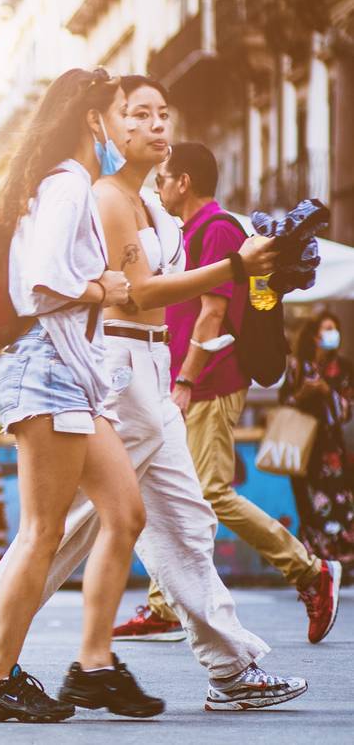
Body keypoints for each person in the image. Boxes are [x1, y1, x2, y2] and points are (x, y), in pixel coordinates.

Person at [0, 76, 307, 713]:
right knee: (62, 527)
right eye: (136, 113)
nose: (157, 125)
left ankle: (180, 666)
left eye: (164, 112)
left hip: (115, 370)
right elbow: (101, 286)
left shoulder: (150, 205)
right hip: (107, 363)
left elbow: (151, 279)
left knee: (149, 518)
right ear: (101, 122)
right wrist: (109, 287)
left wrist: (259, 270)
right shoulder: (86, 190)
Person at [0, 67, 161, 724]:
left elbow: (52, 274)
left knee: (125, 512)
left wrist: (100, 284)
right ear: (91, 120)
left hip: (72, 375)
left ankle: (93, 667)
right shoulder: (69, 185)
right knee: (42, 532)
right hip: (48, 372)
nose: (128, 128)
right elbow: (42, 283)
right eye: (122, 114)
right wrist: (107, 288)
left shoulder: (61, 185)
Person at [144, 142, 340, 645]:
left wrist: (186, 381)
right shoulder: (192, 232)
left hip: (211, 381)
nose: (158, 186)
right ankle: (163, 605)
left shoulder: (219, 231)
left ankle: (309, 571)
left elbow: (213, 312)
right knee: (167, 490)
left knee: (209, 492)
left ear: (184, 181)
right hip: (192, 381)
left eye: (163, 178)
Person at [280, 311, 354, 575]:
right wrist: (303, 394)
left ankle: (338, 564)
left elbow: (346, 410)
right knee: (308, 505)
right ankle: (315, 566)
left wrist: (326, 393)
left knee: (338, 503)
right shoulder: (298, 366)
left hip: (332, 450)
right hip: (303, 449)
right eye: (328, 328)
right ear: (314, 335)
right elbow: (284, 404)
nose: (333, 333)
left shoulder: (343, 368)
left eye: (335, 328)